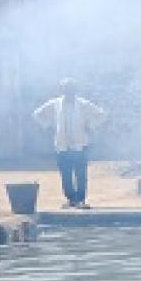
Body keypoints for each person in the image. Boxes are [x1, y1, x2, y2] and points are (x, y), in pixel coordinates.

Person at [32, 78, 107, 208]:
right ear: (62, 90)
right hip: (62, 145)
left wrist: (91, 126)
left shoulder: (83, 104)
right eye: (66, 89)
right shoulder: (55, 104)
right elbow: (37, 114)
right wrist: (48, 126)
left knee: (81, 174)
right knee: (66, 175)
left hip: (80, 145)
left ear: (75, 90)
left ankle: (81, 200)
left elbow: (101, 115)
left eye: (71, 89)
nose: (68, 91)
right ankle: (71, 199)